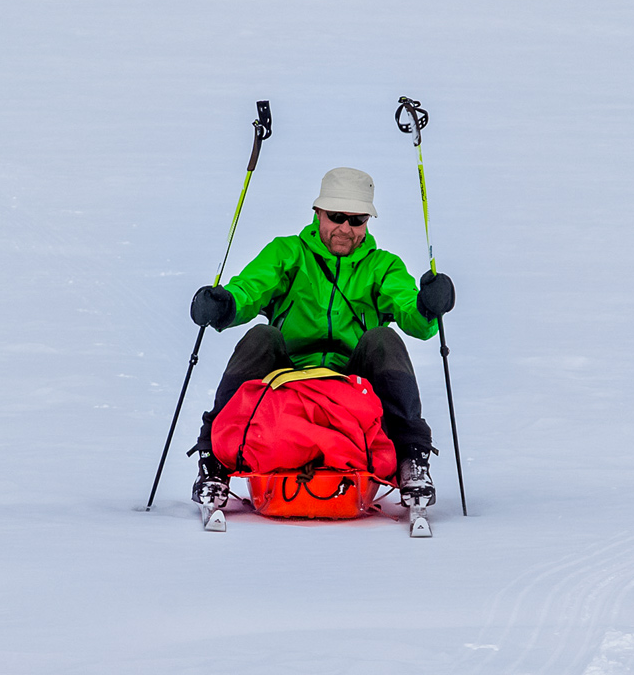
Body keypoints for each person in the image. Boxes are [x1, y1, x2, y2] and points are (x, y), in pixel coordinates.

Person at [188, 167, 455, 511]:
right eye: (336, 216)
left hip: (353, 384)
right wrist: (225, 304)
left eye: (356, 219)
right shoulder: (288, 253)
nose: (345, 228)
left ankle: (412, 459)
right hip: (290, 378)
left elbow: (412, 316)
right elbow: (250, 288)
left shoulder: (383, 266)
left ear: (367, 222)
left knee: (381, 339)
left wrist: (427, 307)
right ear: (318, 213)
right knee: (262, 335)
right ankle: (214, 458)